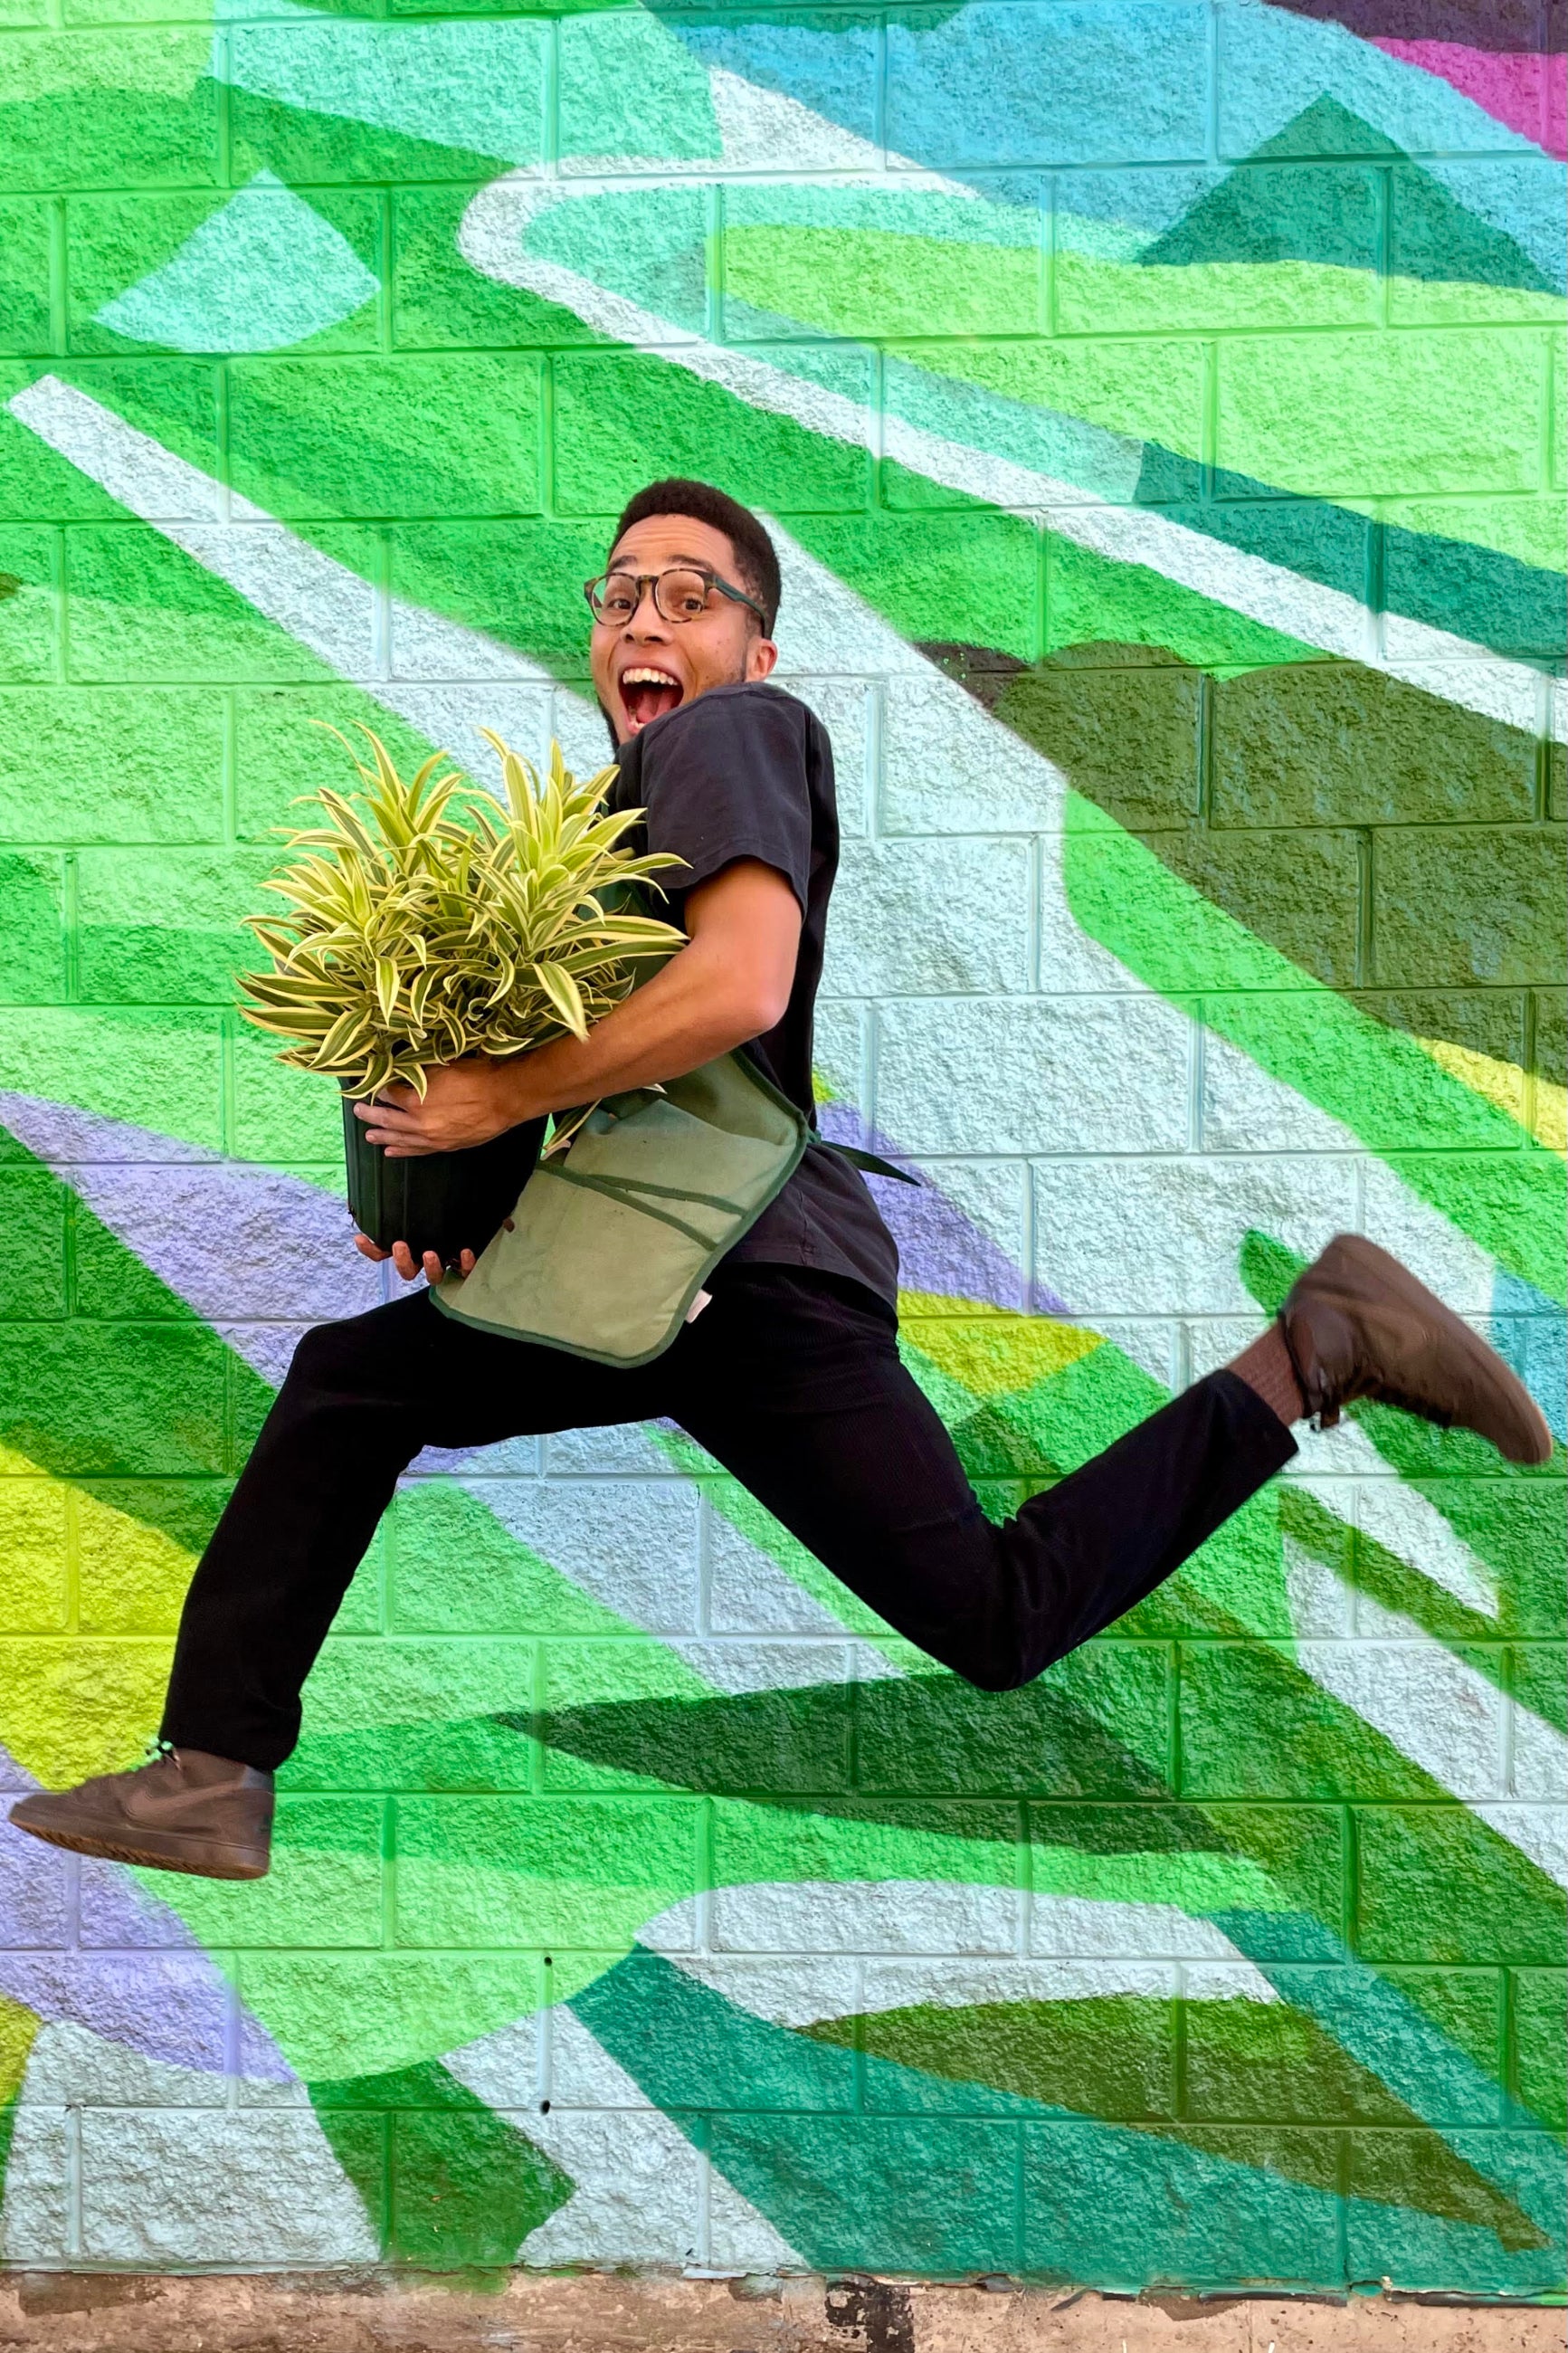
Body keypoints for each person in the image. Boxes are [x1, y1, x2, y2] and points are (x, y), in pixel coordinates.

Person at [13, 479, 1551, 1883]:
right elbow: (641, 1063)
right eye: (619, 595)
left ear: (757, 646)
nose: (641, 619)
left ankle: (214, 1770)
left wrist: (503, 1093)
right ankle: (1308, 1355)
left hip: (734, 1260)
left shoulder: (729, 736)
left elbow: (742, 994)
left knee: (358, 1390)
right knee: (981, 1611)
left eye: (690, 596)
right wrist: (463, 1195)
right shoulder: (624, 814)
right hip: (714, 1273)